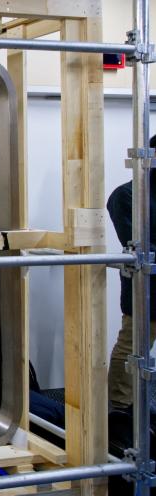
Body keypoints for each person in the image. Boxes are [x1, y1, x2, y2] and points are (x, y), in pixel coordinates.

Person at [107, 134, 156, 410]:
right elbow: (137, 244)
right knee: (133, 346)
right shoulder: (126, 196)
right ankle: (119, 407)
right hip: (146, 287)